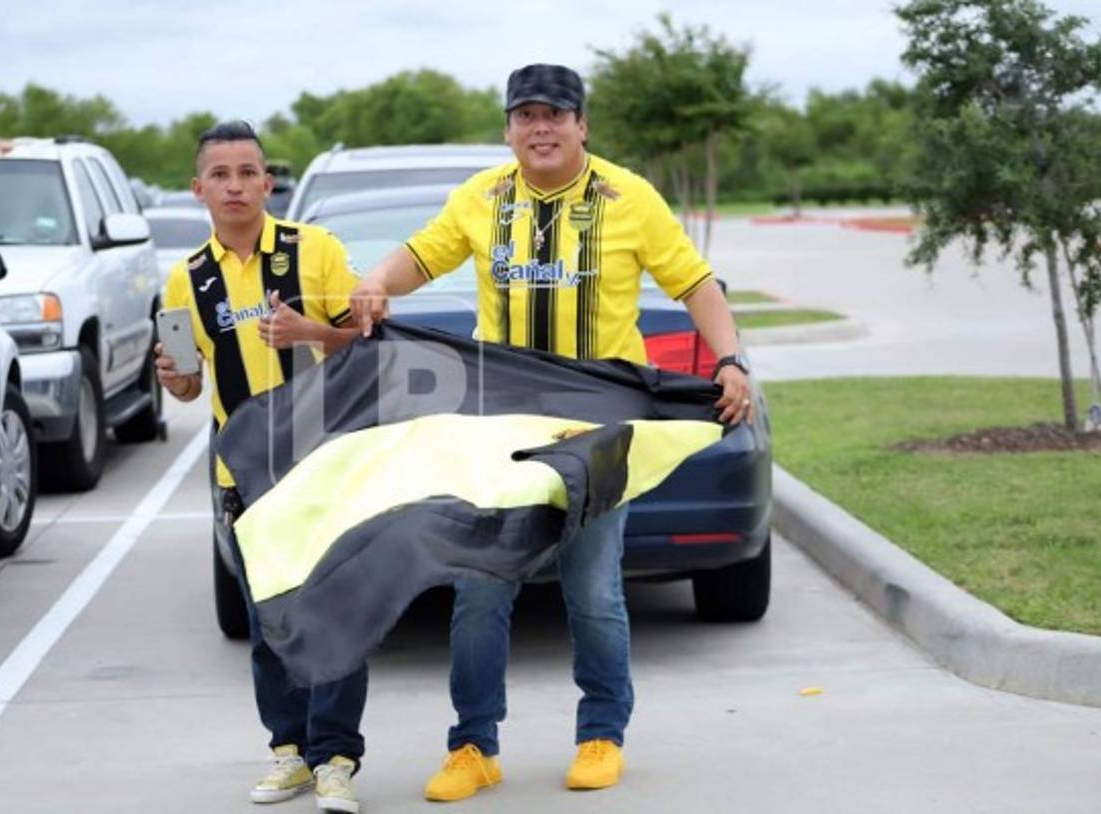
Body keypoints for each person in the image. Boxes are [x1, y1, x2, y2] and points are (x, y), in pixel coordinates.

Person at [349, 64, 754, 801]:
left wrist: (729, 359)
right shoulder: (480, 198)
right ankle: (474, 744)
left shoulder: (630, 199)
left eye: (556, 115)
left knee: (593, 590)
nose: (541, 128)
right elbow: (421, 255)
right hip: (499, 429)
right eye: (526, 116)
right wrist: (377, 279)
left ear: (582, 126)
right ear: (508, 129)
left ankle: (602, 733)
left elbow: (696, 284)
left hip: (598, 428)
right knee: (479, 589)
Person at [157, 121, 367, 812]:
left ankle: (335, 757)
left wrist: (311, 331)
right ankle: (291, 753)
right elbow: (187, 385)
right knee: (271, 622)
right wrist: (174, 379)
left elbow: (367, 347)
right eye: (220, 175)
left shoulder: (317, 252)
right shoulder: (184, 280)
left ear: (268, 182)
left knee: (332, 617)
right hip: (242, 476)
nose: (236, 185)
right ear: (199, 189)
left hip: (323, 465)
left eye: (248, 172)